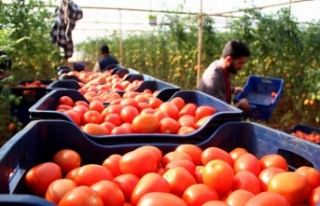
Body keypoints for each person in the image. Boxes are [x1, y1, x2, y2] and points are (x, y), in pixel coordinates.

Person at [198, 39, 251, 111]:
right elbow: (221, 113)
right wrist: (240, 104)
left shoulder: (221, 67)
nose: (241, 67)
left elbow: (220, 87)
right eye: (240, 63)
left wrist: (232, 89)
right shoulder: (213, 79)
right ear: (229, 59)